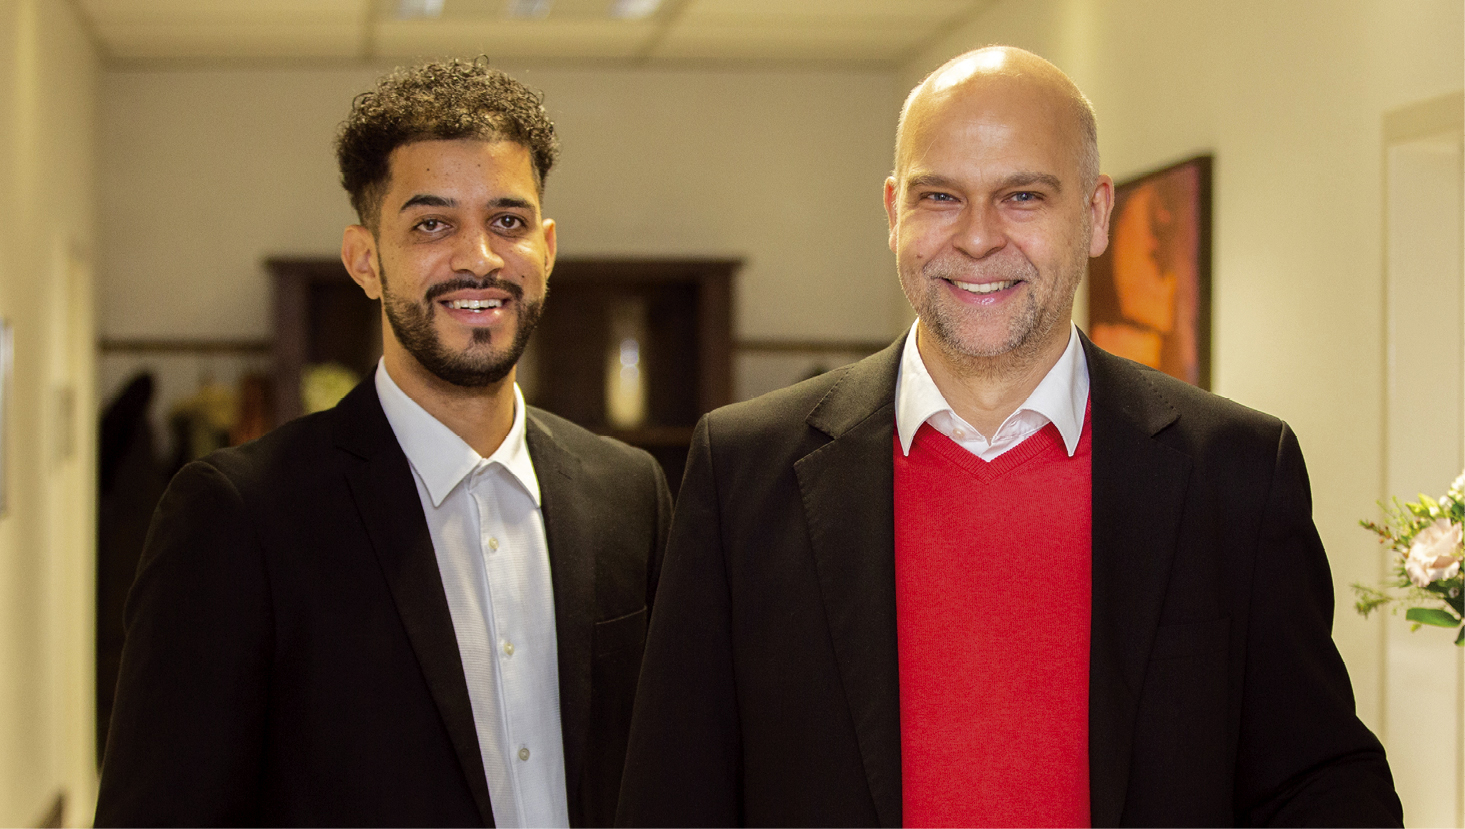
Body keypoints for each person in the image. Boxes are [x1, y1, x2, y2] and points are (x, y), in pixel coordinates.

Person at [616, 46, 1401, 827]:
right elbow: (673, 791)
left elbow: (1317, 780)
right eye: (939, 197)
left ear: (1095, 214)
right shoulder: (742, 470)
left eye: (1022, 196)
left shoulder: (1233, 471)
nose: (977, 238)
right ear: (892, 212)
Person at [96, 60, 671, 828]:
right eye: (432, 224)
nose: (478, 256)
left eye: (508, 221)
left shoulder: (628, 492)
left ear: (548, 247)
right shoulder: (240, 515)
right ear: (364, 260)